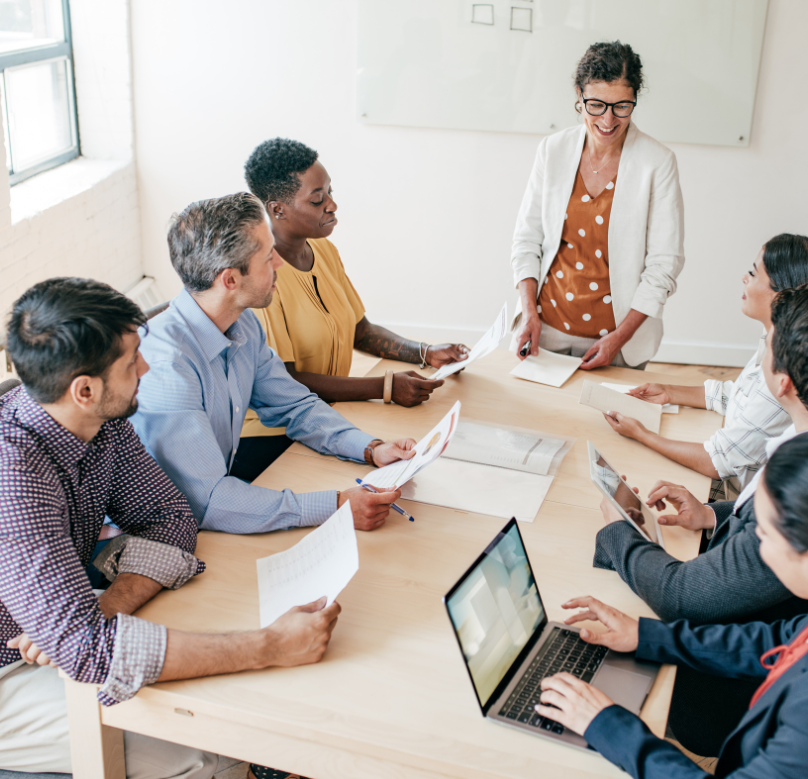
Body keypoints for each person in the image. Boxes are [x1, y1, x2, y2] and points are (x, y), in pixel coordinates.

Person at [0, 278, 343, 779]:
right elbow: (91, 653)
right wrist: (267, 645)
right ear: (85, 388)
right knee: (201, 750)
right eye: (132, 360)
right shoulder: (15, 477)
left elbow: (170, 517)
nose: (146, 367)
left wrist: (103, 609)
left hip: (63, 624)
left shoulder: (102, 421)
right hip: (7, 667)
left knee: (226, 686)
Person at [533, 430, 808, 779]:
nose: (755, 549)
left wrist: (606, 722)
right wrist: (648, 635)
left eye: (762, 535)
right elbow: (779, 638)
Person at [594, 282, 808, 627]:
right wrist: (712, 515)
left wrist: (618, 530)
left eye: (767, 346)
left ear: (783, 382)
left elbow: (680, 598)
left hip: (753, 633)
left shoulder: (805, 497)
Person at [130, 193, 417, 534]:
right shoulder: (168, 367)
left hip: (211, 508)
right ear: (230, 280)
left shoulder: (243, 323)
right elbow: (207, 501)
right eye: (268, 257)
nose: (279, 263)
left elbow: (295, 404)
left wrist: (371, 449)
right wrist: (335, 505)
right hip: (162, 532)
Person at [606, 233, 808, 500]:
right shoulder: (776, 342)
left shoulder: (782, 377)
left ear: (783, 294)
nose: (744, 278)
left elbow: (717, 462)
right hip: (731, 480)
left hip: (732, 498)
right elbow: (738, 397)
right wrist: (669, 392)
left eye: (753, 274)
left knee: (626, 477)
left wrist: (642, 434)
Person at [244, 137, 469, 416]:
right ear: (278, 209)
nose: (332, 205)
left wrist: (426, 352)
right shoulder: (260, 276)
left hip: (328, 414)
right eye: (317, 199)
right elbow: (285, 380)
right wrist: (384, 387)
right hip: (275, 431)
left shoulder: (323, 250)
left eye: (330, 192)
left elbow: (360, 331)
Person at [510, 40, 684, 371]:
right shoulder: (553, 150)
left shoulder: (658, 163)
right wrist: (529, 314)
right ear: (579, 94)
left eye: (621, 106)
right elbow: (526, 239)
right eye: (596, 105)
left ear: (635, 99)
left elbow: (664, 265)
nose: (608, 120)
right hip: (545, 329)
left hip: (618, 340)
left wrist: (618, 340)